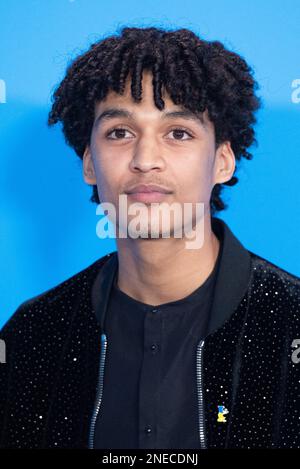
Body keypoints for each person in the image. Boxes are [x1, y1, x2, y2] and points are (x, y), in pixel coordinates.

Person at [1, 26, 299, 449]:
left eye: (178, 133)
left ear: (223, 162)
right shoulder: (32, 336)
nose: (145, 161)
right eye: (120, 133)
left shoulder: (290, 323)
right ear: (89, 163)